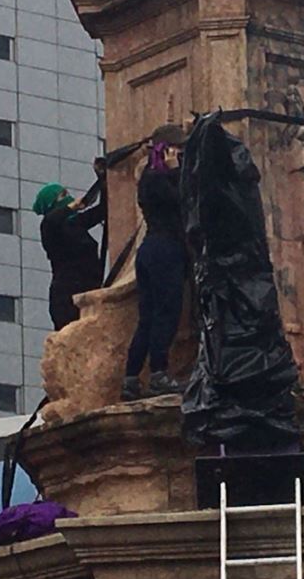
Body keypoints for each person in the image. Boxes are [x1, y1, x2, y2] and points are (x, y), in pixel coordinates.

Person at [122, 125, 188, 401]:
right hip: (165, 249)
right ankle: (158, 374)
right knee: (165, 312)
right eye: (178, 148)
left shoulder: (148, 177)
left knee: (148, 317)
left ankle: (131, 377)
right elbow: (183, 201)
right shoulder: (159, 178)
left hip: (151, 249)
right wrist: (175, 171)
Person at [33, 165, 106, 331]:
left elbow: (102, 211)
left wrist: (103, 182)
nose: (69, 197)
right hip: (67, 297)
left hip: (89, 290)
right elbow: (51, 220)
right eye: (63, 195)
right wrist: (73, 206)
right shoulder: (50, 229)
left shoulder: (74, 224)